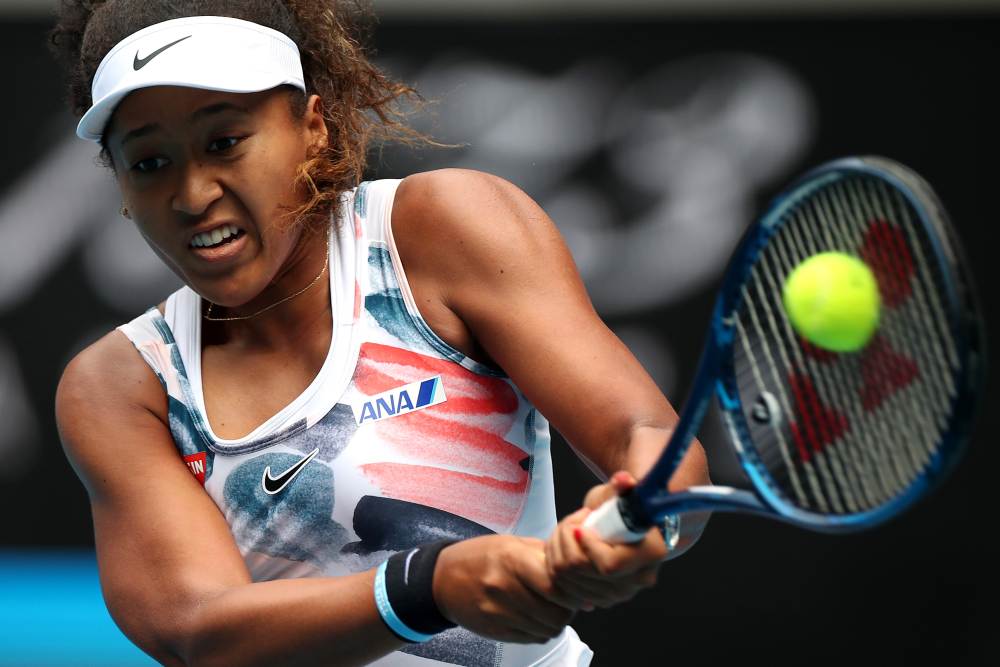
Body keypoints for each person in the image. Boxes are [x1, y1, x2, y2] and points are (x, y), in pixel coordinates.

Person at [50, 1, 711, 665]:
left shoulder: (447, 227)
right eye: (149, 163)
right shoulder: (119, 384)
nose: (192, 195)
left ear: (312, 125)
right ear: (122, 192)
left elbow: (644, 435)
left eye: (223, 142)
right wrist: (429, 586)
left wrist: (647, 514)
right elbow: (199, 629)